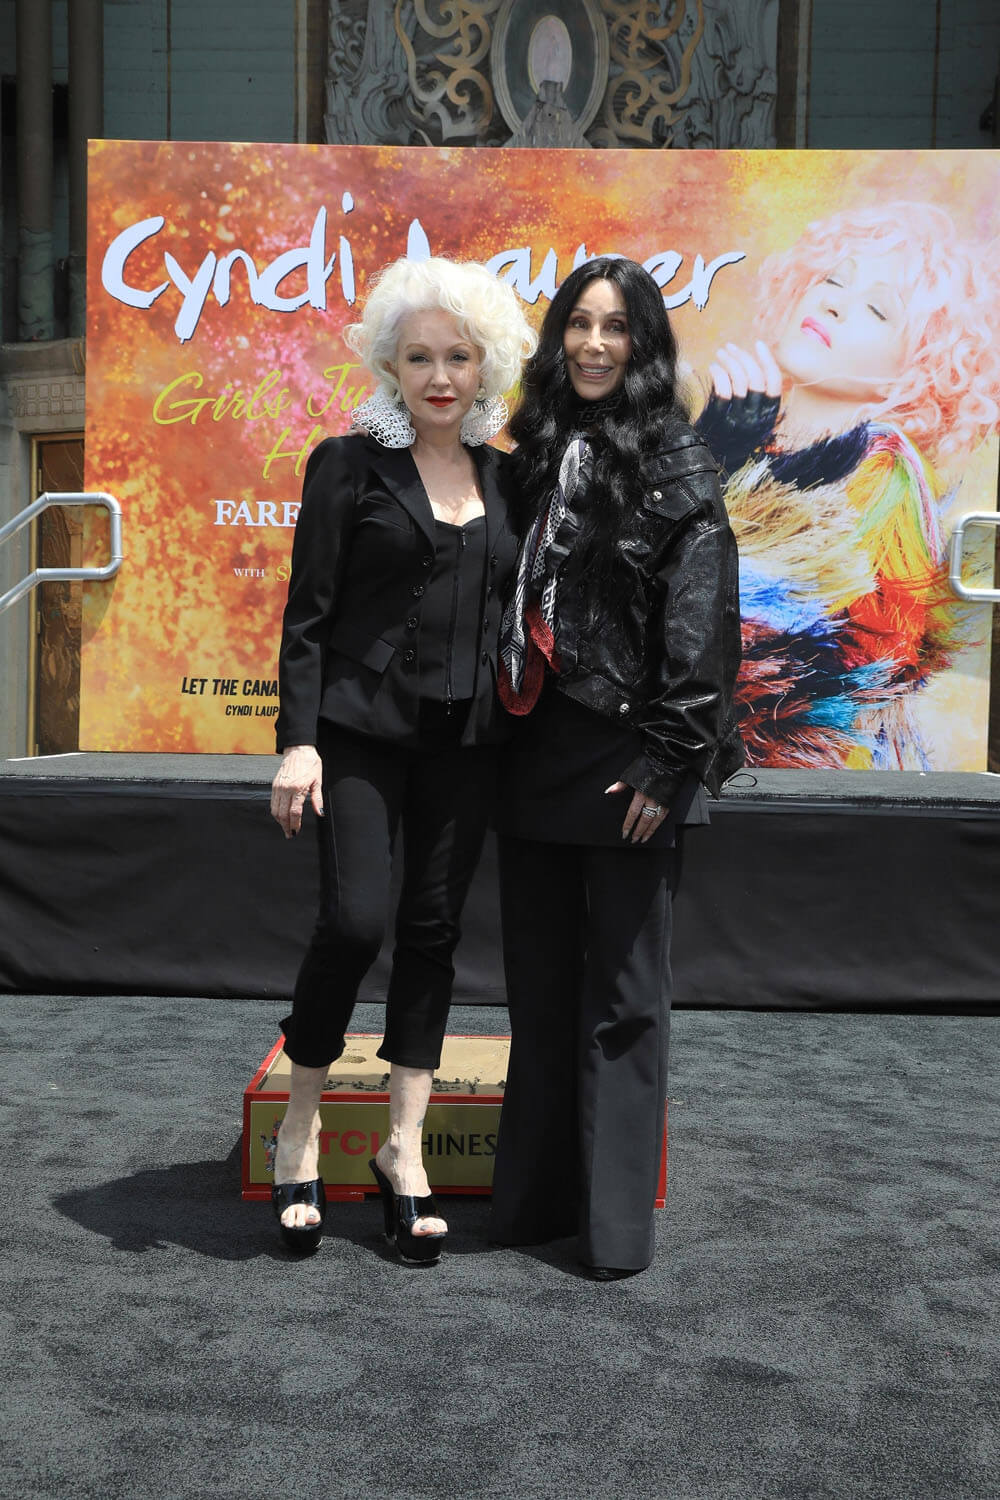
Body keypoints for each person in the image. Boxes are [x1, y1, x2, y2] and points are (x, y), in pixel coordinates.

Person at [269, 255, 535, 1263]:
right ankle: (300, 1126)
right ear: (390, 364)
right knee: (354, 922)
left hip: (468, 744)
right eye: (419, 356)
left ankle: (402, 1149)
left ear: (485, 366)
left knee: (431, 931)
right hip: (357, 733)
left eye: (458, 357)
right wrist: (298, 743)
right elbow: (307, 616)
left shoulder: (508, 479)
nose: (439, 375)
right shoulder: (346, 464)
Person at [488, 256, 743, 1279]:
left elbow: (703, 625)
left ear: (644, 344)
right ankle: (532, 1208)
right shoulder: (529, 455)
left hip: (631, 759)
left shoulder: (677, 462)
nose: (594, 344)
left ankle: (612, 1231)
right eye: (578, 325)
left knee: (626, 1002)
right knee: (539, 997)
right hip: (531, 753)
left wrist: (668, 763)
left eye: (616, 327)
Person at [696, 201, 1000, 769]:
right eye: (833, 279)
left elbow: (744, 627)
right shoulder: (761, 439)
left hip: (784, 783)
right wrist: (714, 452)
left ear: (922, 363)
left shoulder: (885, 475)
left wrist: (708, 466)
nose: (832, 303)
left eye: (878, 310)